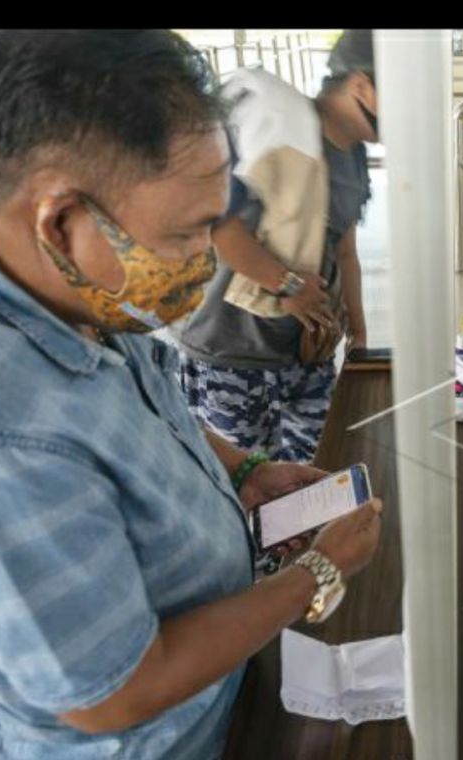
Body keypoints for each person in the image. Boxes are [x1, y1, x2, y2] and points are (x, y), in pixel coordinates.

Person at [0, 30, 382, 760]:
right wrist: (317, 573)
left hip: (218, 701)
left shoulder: (46, 281)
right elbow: (113, 692)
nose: (204, 261)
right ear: (59, 220)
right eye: (188, 233)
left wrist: (246, 470)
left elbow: (146, 403)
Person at [175, 29, 377, 463]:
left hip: (307, 349)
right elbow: (218, 224)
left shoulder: (354, 156)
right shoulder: (276, 128)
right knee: (247, 484)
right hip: (232, 351)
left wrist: (358, 330)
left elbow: (345, 251)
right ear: (361, 86)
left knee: (315, 469)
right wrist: (286, 285)